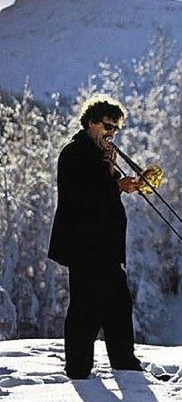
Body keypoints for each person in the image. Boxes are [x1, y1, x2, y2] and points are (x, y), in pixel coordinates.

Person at [48, 96, 143, 379]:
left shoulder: (101, 154)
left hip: (107, 248)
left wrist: (114, 175)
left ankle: (124, 363)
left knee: (118, 304)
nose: (111, 132)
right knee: (84, 308)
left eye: (115, 128)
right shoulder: (74, 153)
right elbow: (83, 196)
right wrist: (116, 183)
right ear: (90, 123)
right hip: (85, 247)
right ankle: (78, 369)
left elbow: (102, 192)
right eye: (107, 126)